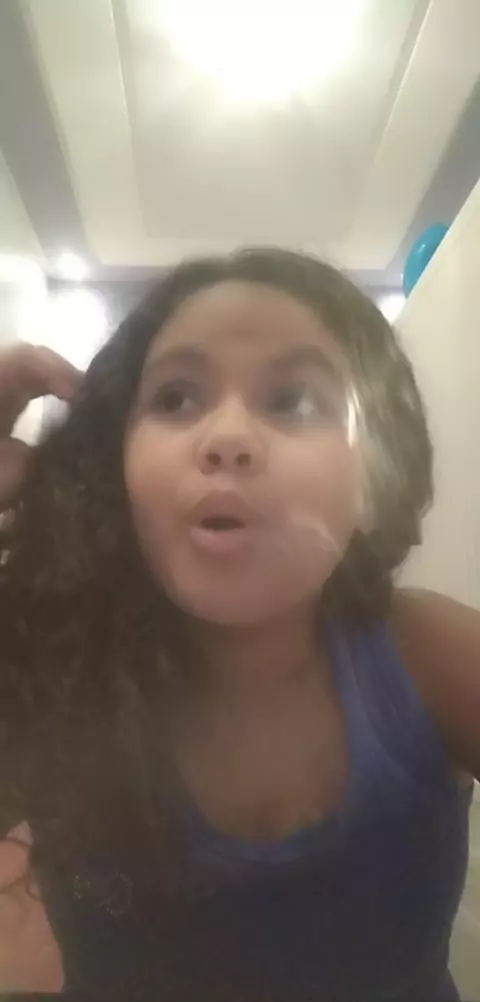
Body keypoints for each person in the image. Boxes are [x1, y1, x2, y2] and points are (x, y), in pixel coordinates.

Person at [0, 248, 479, 1000]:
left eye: (294, 400)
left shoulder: (427, 656)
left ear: (374, 484)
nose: (227, 436)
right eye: (176, 399)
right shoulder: (42, 665)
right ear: (114, 471)